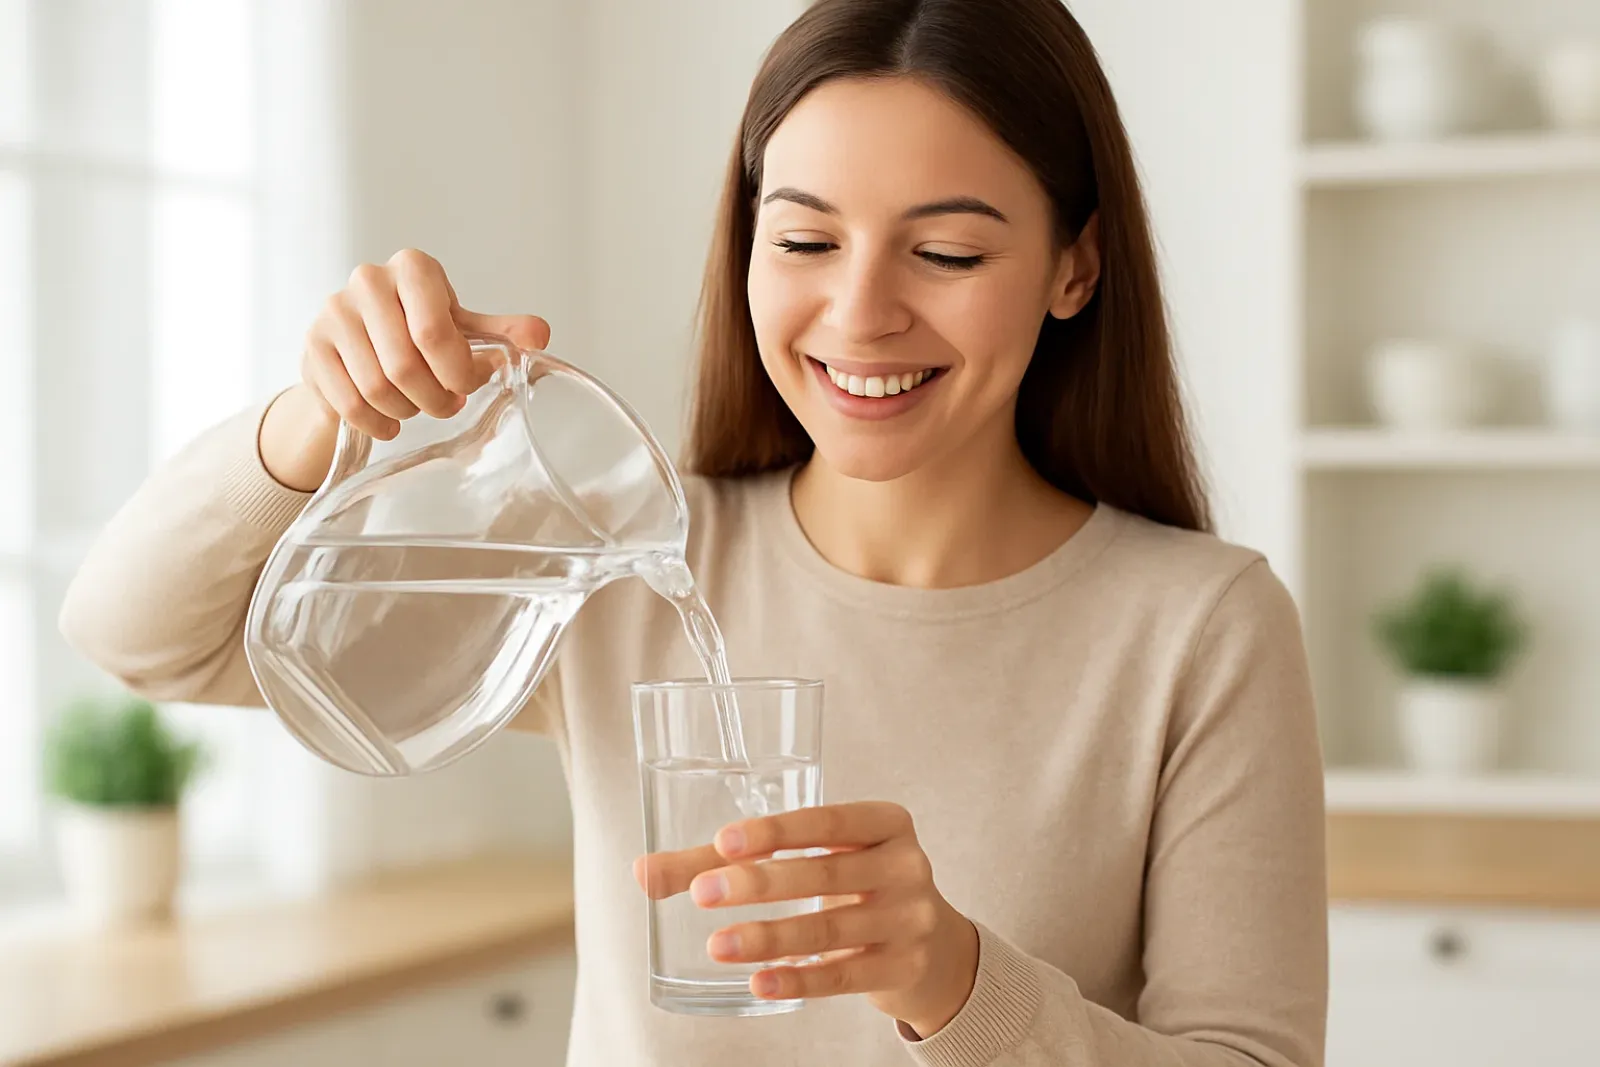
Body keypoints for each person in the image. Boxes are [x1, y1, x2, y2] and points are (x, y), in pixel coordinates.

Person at [59, 0, 1329, 1064]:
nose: (859, 309)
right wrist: (311, 422)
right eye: (805, 239)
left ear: (1075, 267)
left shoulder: (1198, 625)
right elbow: (141, 638)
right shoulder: (624, 555)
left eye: (943, 250)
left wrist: (955, 978)